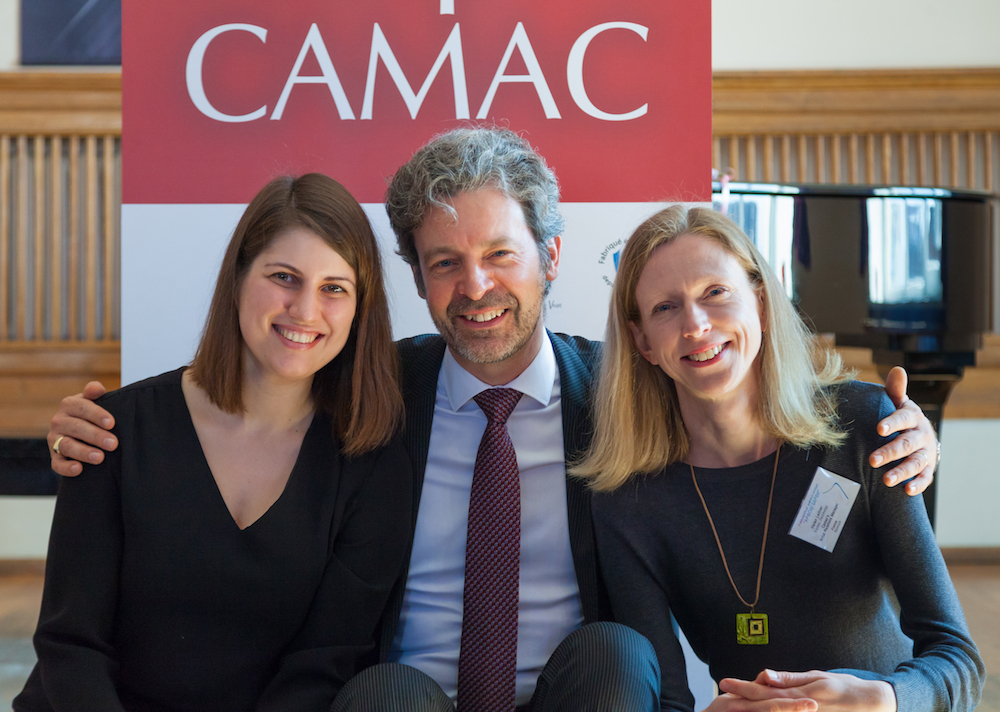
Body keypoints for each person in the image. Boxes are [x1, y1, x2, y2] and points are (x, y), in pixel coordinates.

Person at [45, 128, 939, 712]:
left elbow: (742, 390)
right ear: (416, 277)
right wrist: (108, 423)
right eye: (444, 262)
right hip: (410, 699)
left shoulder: (628, 392)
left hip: (575, 694)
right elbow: (253, 382)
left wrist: (900, 426)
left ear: (550, 256)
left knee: (616, 654)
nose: (474, 287)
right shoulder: (374, 392)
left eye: (500, 254)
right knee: (384, 693)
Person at [16, 174, 412, 712]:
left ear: (360, 308)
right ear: (238, 278)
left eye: (334, 288)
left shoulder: (371, 461)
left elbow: (324, 663)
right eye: (284, 277)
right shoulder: (111, 431)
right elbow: (71, 644)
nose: (305, 310)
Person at [577, 205, 984, 712]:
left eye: (715, 292)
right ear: (642, 341)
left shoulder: (864, 427)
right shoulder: (627, 499)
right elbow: (665, 702)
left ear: (762, 305)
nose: (696, 325)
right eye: (665, 307)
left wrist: (885, 698)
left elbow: (959, 661)